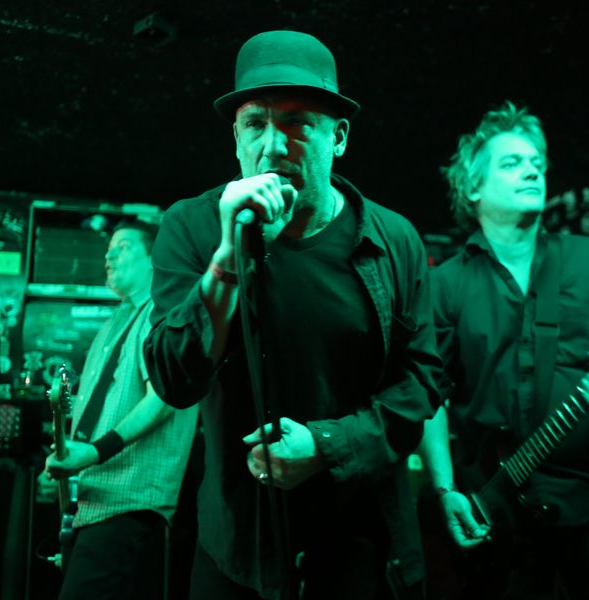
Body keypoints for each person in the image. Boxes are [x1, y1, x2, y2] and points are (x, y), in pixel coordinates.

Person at [143, 30, 440, 600]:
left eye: (298, 123)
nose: (273, 146)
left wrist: (327, 445)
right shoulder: (193, 226)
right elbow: (174, 379)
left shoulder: (394, 239)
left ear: (339, 137)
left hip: (358, 542)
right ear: (236, 138)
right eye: (255, 123)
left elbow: (422, 381)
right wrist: (228, 260)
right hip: (239, 545)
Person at [417, 102, 589, 599]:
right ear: (473, 188)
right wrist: (444, 490)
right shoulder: (444, 284)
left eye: (537, 162)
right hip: (494, 505)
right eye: (511, 163)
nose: (532, 170)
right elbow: (429, 396)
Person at [43, 220, 199, 600]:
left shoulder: (163, 313)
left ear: (155, 258)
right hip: (93, 502)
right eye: (109, 247)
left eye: (124, 246)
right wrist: (67, 463)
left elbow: (163, 399)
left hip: (128, 503)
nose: (109, 255)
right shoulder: (114, 322)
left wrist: (96, 451)